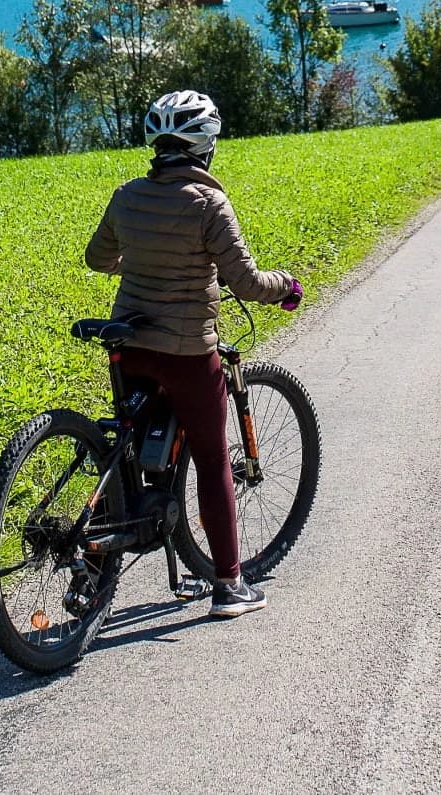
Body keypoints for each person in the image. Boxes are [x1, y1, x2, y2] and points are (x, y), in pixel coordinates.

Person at [85, 88, 302, 620]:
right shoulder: (209, 203)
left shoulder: (127, 194)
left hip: (131, 343)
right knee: (211, 460)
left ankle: (93, 566)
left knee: (129, 453)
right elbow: (247, 283)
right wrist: (287, 286)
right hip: (186, 351)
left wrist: (145, 266)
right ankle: (229, 586)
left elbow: (98, 259)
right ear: (206, 145)